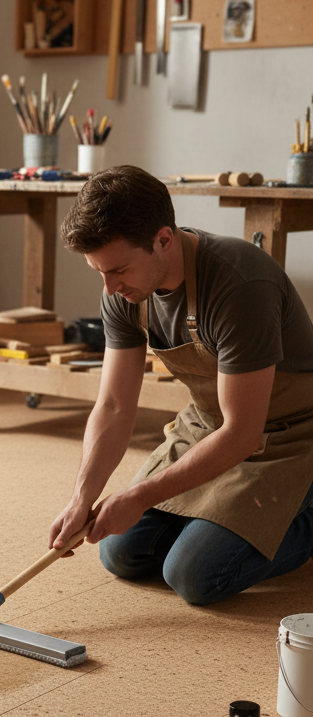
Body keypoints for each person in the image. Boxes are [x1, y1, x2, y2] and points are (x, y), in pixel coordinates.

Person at [49, 165, 313, 605]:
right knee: (121, 551)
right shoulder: (123, 290)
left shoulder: (239, 283)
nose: (110, 289)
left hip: (292, 435)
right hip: (209, 425)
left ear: (164, 240)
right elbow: (114, 406)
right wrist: (82, 498)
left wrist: (138, 495)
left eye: (118, 270)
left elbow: (242, 433)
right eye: (99, 272)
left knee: (195, 574)